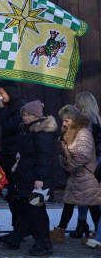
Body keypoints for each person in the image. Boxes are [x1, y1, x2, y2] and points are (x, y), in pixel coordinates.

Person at [0, 100, 58, 255]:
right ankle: (27, 240)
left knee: (36, 211)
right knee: (30, 209)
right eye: (23, 114)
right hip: (28, 177)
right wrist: (18, 163)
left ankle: (42, 244)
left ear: (37, 115)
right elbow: (28, 154)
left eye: (29, 114)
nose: (25, 117)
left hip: (37, 180)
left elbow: (44, 157)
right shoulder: (30, 131)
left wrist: (40, 178)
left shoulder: (42, 132)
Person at [51, 104, 101, 243]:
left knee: (90, 204)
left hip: (86, 174)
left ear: (74, 119)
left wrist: (70, 166)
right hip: (79, 174)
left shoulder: (83, 132)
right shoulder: (73, 131)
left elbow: (84, 155)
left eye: (66, 120)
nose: (64, 123)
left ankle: (98, 236)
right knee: (71, 202)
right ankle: (60, 231)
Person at [0, 79, 26, 231]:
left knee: (14, 192)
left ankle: (19, 228)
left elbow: (9, 127)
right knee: (8, 190)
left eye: (1, 93)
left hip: (14, 155)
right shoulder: (11, 106)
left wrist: (1, 109)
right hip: (8, 154)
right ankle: (18, 227)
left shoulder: (19, 106)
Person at [71, 92, 101, 239]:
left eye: (77, 103)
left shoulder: (86, 121)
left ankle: (91, 227)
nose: (75, 105)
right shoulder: (95, 120)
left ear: (83, 104)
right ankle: (83, 224)